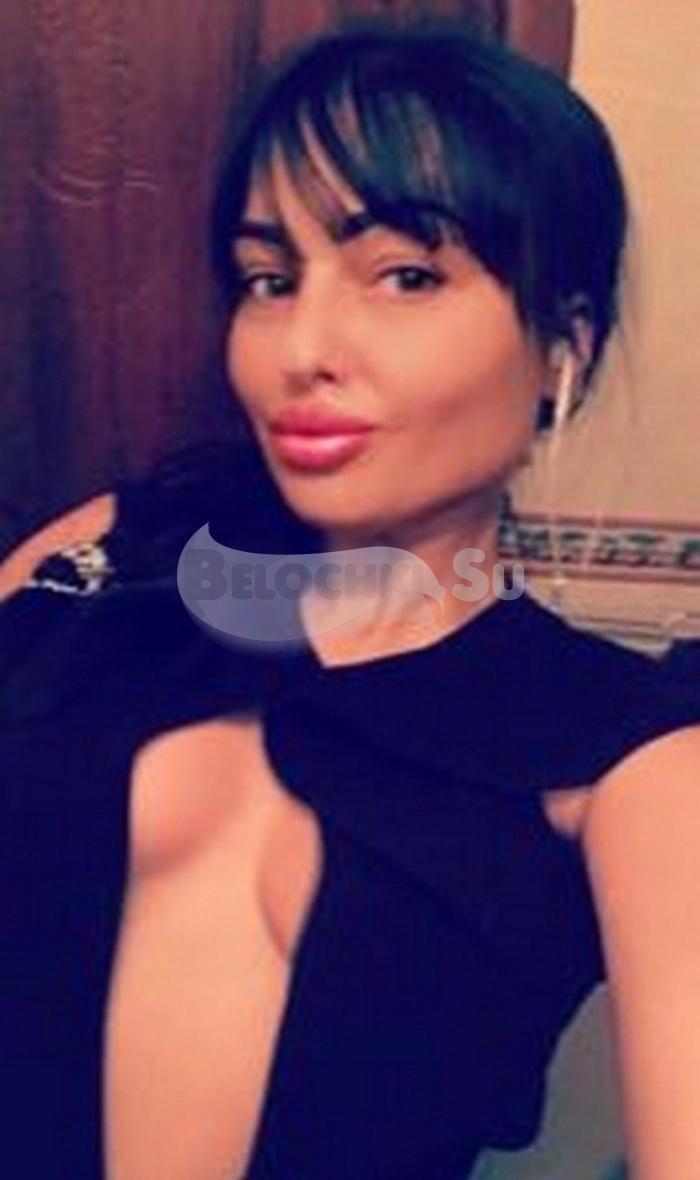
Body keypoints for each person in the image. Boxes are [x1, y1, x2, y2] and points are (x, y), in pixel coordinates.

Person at [2, 19, 700, 1180]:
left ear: (559, 348)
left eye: (406, 275)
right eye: (269, 280)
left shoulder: (632, 760)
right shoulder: (117, 552)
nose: (302, 347)